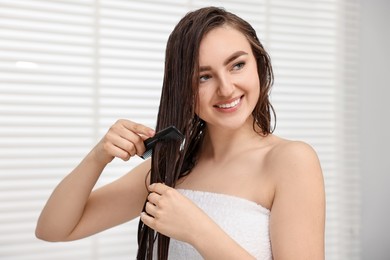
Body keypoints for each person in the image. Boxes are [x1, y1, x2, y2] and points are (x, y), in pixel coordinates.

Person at [35, 6, 325, 260]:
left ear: (259, 66)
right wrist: (98, 156)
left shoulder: (291, 161)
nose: (226, 88)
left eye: (237, 65)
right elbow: (53, 229)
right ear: (183, 88)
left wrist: (198, 230)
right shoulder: (171, 168)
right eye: (204, 76)